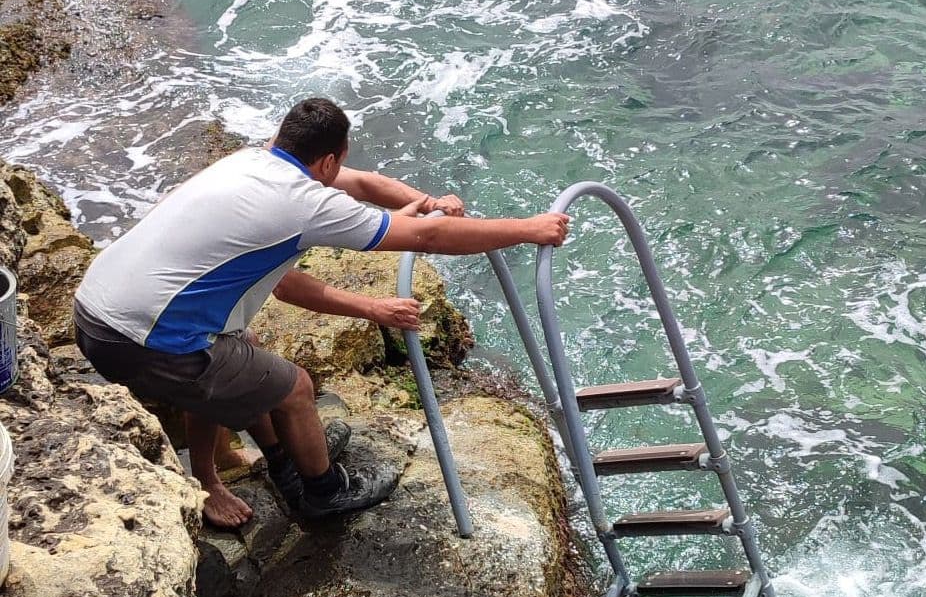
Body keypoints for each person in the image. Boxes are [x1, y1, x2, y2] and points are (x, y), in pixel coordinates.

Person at [72, 97, 571, 528]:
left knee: (236, 354)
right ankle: (323, 492)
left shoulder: (250, 162)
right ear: (328, 160)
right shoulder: (304, 204)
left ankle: (264, 459)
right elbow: (429, 238)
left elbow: (363, 191)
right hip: (142, 341)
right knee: (295, 388)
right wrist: (528, 227)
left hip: (96, 309)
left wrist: (427, 201)